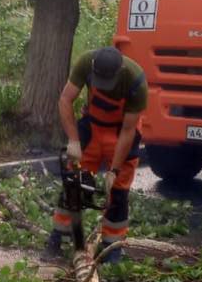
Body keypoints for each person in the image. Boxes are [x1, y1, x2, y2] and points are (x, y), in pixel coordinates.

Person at [45, 46, 147, 264]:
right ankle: (59, 237)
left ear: (118, 72)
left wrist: (114, 170)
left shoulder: (135, 80)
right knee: (74, 183)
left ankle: (112, 246)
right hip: (93, 127)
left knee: (118, 192)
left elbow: (128, 130)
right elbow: (65, 99)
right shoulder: (85, 62)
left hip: (121, 132)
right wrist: (73, 139)